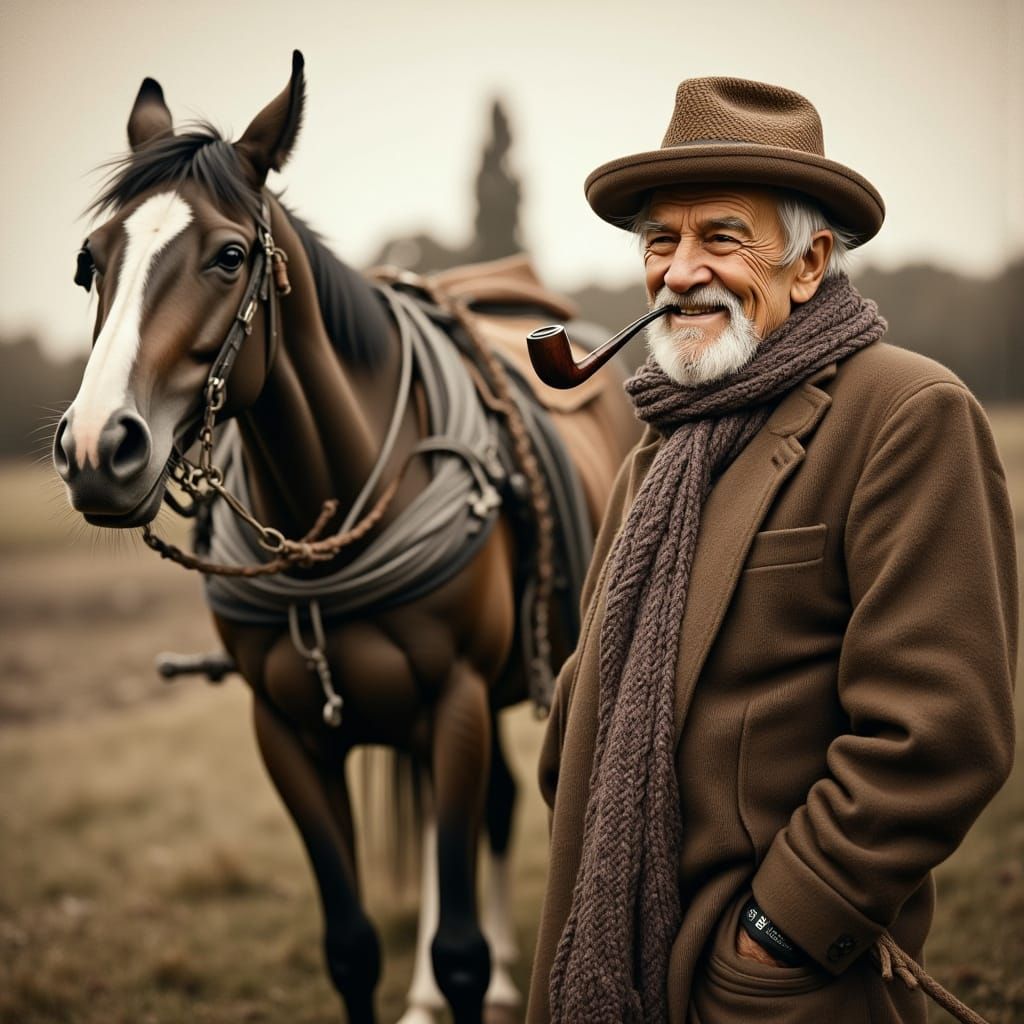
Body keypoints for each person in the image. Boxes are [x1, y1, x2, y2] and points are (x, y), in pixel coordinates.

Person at [526, 77, 1017, 1024]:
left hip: (767, 989)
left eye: (719, 236)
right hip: (615, 943)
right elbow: (597, 672)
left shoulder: (907, 415)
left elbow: (936, 739)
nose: (677, 271)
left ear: (808, 263)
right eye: (660, 241)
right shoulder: (665, 438)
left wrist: (776, 937)